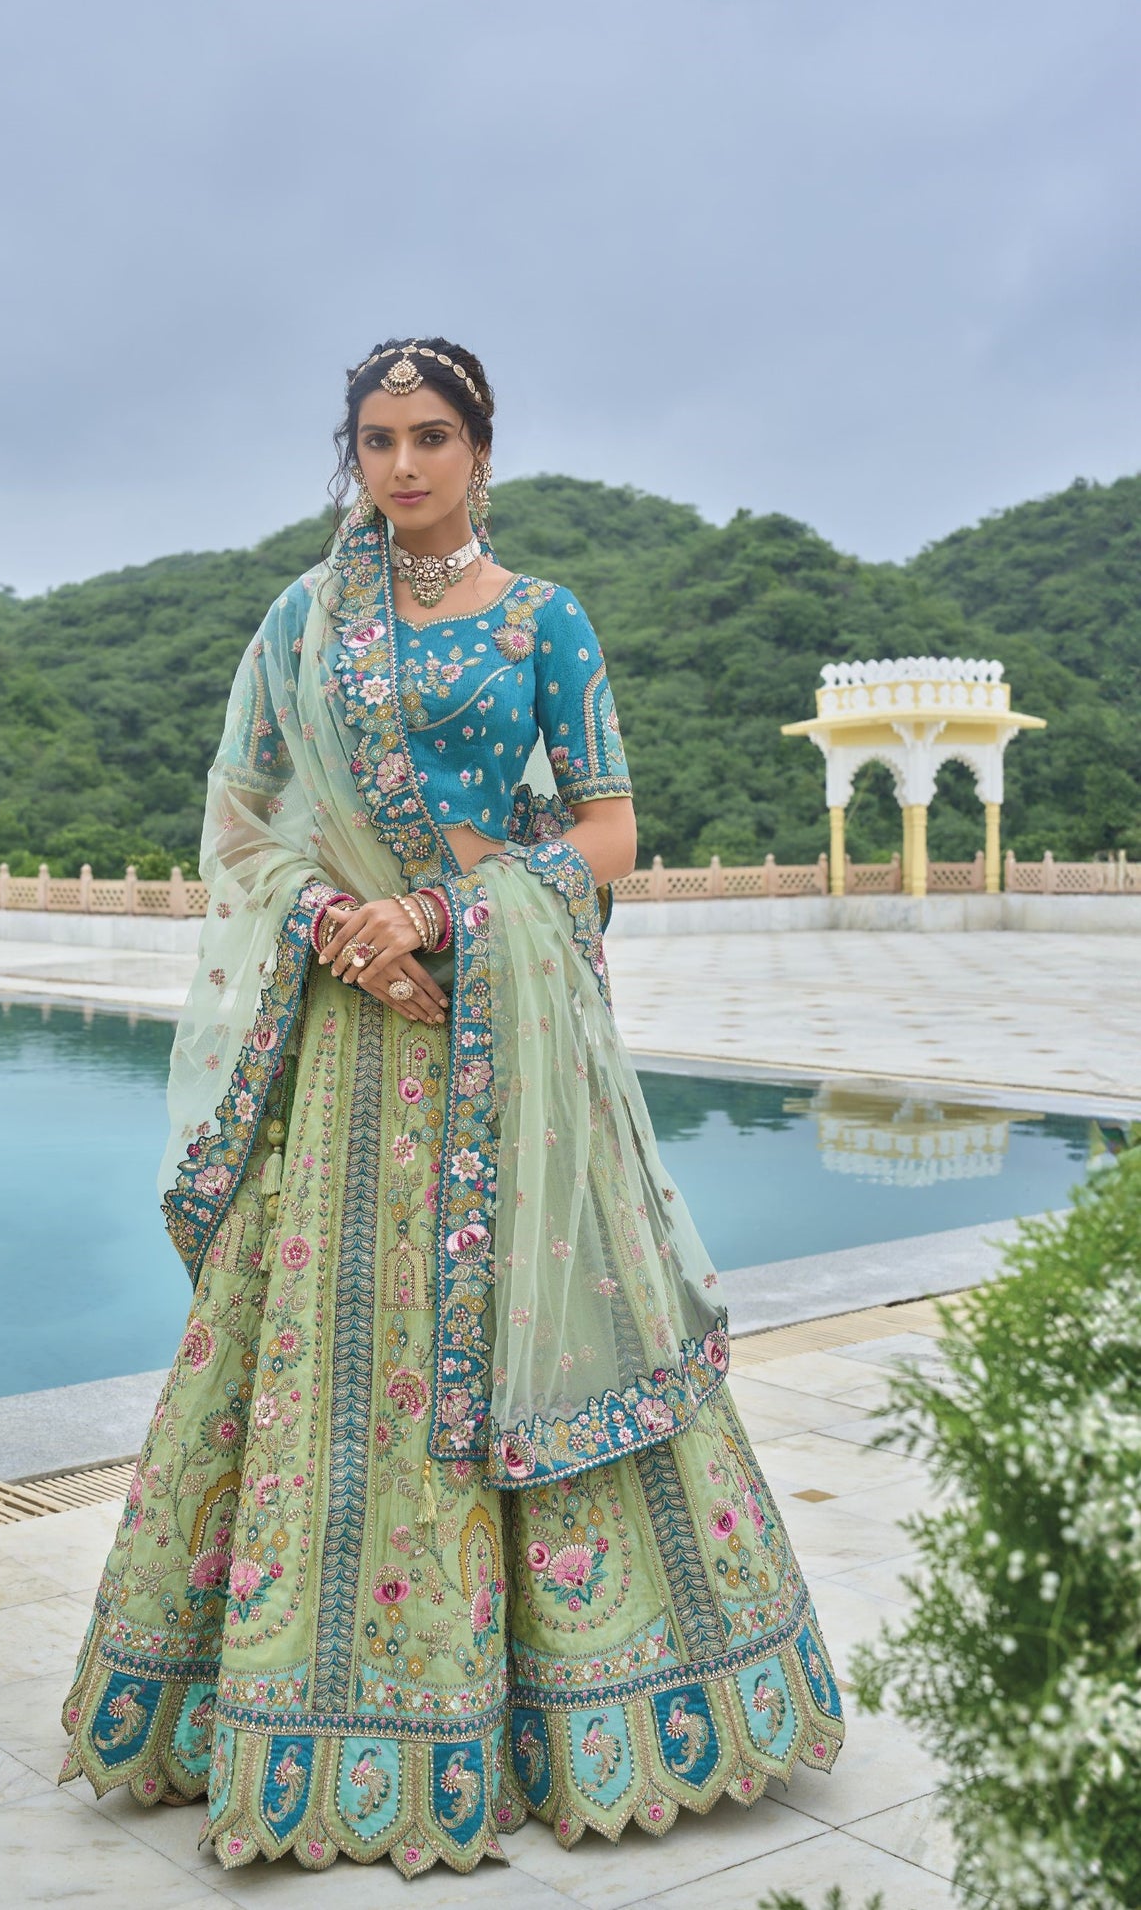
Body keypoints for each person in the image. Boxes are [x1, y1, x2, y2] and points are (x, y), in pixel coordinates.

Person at [56, 337, 845, 1875]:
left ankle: (592, 1714)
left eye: (429, 437)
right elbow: (238, 824)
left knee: (527, 1332)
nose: (401, 466)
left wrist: (445, 919)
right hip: (344, 1052)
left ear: (482, 451)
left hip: (504, 1051)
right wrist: (336, 921)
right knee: (327, 1349)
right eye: (373, 439)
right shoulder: (302, 623)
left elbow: (608, 832)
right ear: (349, 456)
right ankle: (297, 1719)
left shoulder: (546, 622)